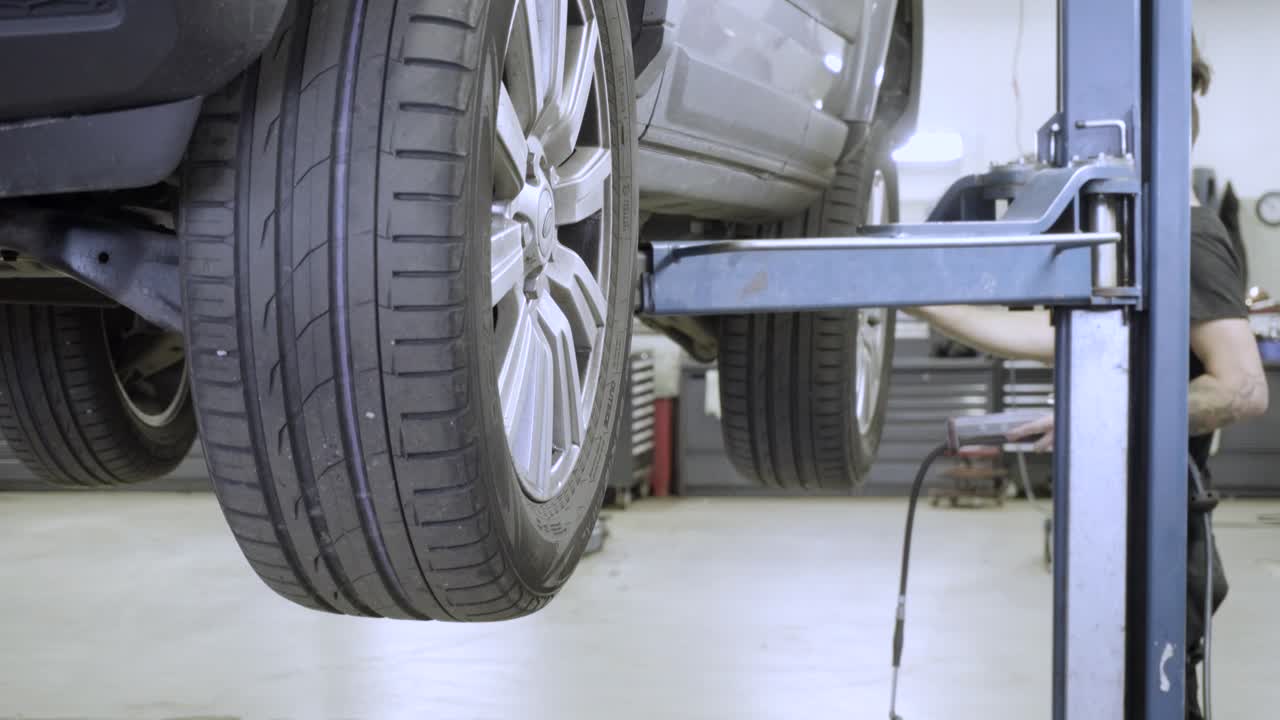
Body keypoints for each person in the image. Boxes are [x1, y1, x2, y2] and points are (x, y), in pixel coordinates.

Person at [906, 35, 1269, 720]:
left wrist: (1111, 416)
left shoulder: (1189, 239)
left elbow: (1244, 388)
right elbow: (1065, 338)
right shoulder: (1149, 238)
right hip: (1127, 522)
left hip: (1165, 531)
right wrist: (919, 295)